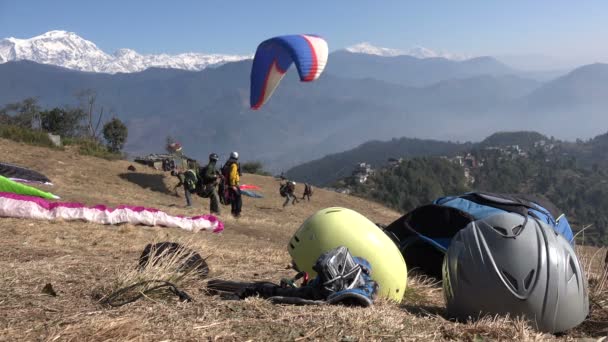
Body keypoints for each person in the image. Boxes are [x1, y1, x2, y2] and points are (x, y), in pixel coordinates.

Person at [222, 151, 242, 217]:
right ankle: (237, 213)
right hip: (233, 184)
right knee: (238, 198)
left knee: (233, 198)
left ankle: (233, 212)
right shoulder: (234, 164)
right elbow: (232, 175)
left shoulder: (228, 163)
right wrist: (233, 185)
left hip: (228, 184)